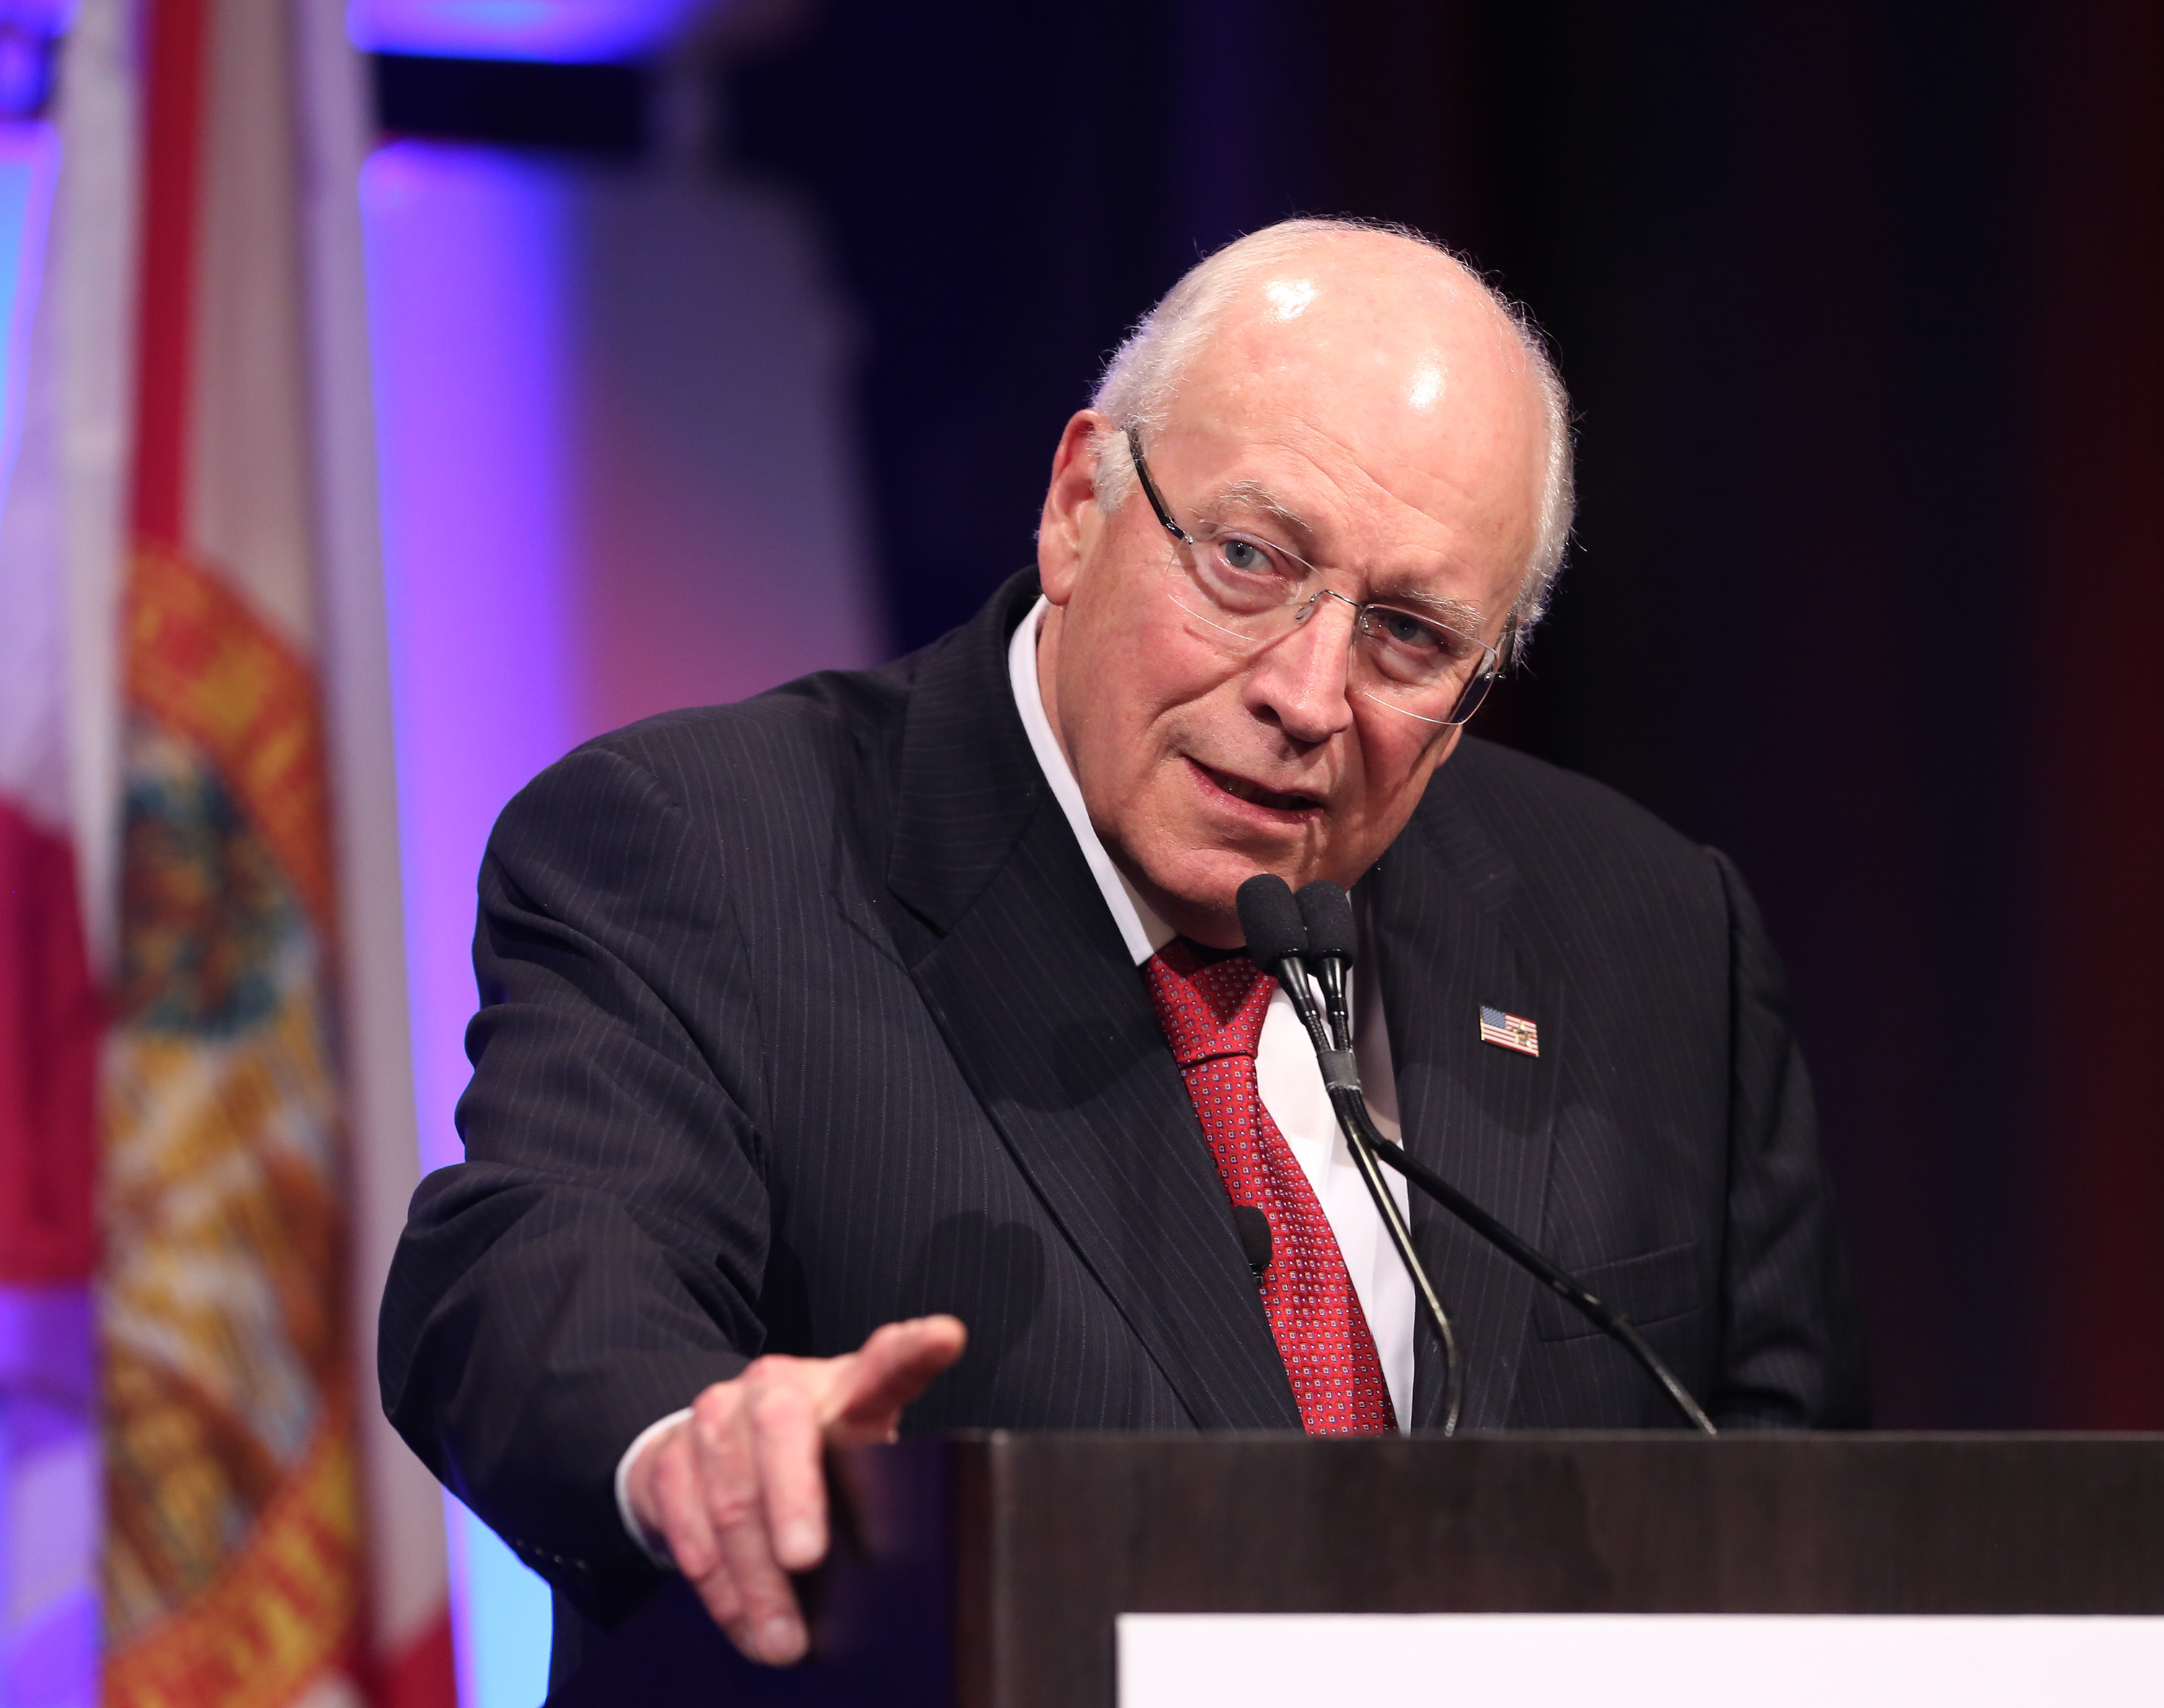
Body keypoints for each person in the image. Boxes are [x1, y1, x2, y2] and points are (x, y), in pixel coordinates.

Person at [379, 218, 1868, 1681]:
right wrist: (686, 1436)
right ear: (1081, 504)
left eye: (1408, 636)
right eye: (1246, 557)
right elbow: (527, 1275)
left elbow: (1820, 1551)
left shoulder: (1650, 932)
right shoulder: (711, 851)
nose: (1305, 690)